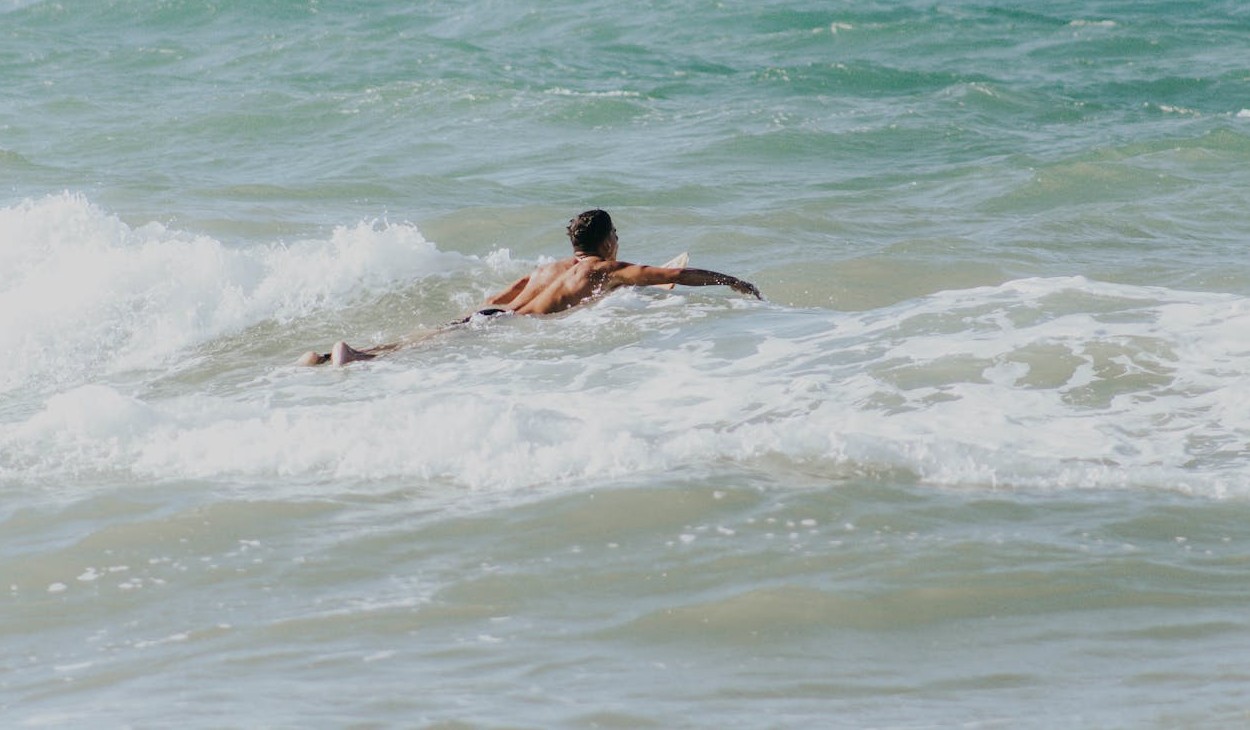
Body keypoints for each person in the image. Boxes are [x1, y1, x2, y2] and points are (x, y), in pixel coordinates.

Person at [299, 209, 762, 366]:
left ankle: (327, 357)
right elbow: (673, 275)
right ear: (607, 240)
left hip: (487, 319)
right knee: (415, 354)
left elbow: (494, 301)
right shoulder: (603, 269)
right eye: (616, 235)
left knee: (414, 345)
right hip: (503, 329)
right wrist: (731, 281)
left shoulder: (546, 268)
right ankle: (354, 357)